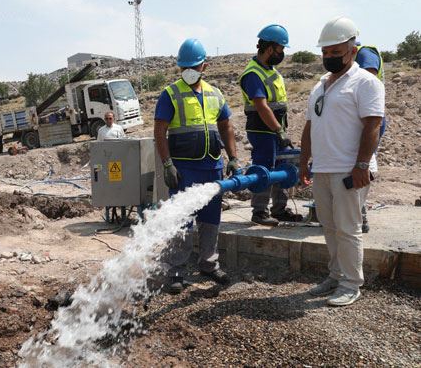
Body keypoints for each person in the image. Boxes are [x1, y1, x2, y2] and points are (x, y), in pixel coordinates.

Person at [301, 17, 385, 306]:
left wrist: (362, 166)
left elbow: (372, 124)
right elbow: (310, 126)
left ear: (352, 49)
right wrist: (304, 163)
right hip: (323, 168)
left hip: (350, 170)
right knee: (329, 226)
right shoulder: (320, 85)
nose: (329, 57)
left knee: (348, 229)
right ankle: (335, 275)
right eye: (325, 53)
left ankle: (351, 284)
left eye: (335, 52)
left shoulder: (366, 82)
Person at [154, 38, 240, 293]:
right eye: (184, 67)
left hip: (212, 166)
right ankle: (177, 270)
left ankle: (208, 263)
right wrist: (167, 163)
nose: (188, 71)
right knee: (182, 220)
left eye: (194, 66)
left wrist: (233, 158)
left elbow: (226, 126)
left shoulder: (215, 94)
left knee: (211, 218)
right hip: (184, 168)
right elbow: (160, 130)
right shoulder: (170, 94)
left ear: (205, 66)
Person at [238, 24, 302, 226]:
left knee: (282, 167)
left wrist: (280, 130)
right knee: (264, 168)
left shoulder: (271, 71)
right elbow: (262, 106)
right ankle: (259, 212)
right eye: (281, 49)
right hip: (263, 130)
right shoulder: (253, 74)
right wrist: (278, 130)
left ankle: (280, 209)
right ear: (269, 48)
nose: (282, 53)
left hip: (276, 129)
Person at [355, 42, 386, 233]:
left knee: (363, 161)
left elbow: (368, 81)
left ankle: (359, 214)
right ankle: (359, 212)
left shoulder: (364, 53)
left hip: (368, 119)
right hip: (365, 117)